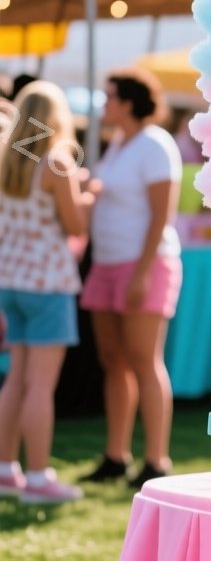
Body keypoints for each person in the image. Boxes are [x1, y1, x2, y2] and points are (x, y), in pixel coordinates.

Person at [81, 69, 182, 487]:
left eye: (109, 97)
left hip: (145, 265)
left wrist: (141, 273)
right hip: (107, 264)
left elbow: (162, 215)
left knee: (144, 360)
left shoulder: (155, 144)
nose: (103, 104)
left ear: (127, 103)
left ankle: (156, 460)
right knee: (113, 361)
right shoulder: (119, 145)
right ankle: (116, 456)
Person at [0, 82, 93, 504]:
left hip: (11, 281)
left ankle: (7, 469)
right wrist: (88, 198)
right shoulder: (57, 163)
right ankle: (37, 478)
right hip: (48, 283)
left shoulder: (7, 158)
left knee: (15, 379)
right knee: (40, 385)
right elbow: (75, 226)